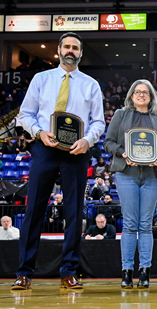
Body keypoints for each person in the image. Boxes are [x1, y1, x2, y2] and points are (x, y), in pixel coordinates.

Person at [13, 32, 105, 291]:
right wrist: (39, 132)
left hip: (77, 151)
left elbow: (98, 121)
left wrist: (87, 140)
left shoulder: (91, 84)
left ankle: (69, 271)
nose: (71, 51)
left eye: (75, 47)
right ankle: (24, 272)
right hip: (45, 147)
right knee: (34, 212)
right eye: (67, 46)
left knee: (74, 213)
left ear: (80, 53)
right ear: (59, 49)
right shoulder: (41, 79)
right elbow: (25, 114)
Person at [104, 79, 157, 289]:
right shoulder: (120, 115)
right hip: (127, 174)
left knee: (145, 225)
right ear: (131, 96)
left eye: (145, 92)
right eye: (137, 92)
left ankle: (145, 272)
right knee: (129, 225)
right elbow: (108, 142)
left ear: (151, 96)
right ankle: (127, 272)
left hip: (152, 176)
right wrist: (123, 153)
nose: (141, 95)